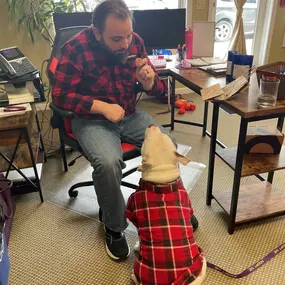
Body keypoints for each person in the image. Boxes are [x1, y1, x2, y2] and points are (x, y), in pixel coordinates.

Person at [52, 0, 198, 261]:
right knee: (108, 163)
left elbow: (158, 91)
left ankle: (171, 209)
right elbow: (60, 97)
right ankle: (114, 226)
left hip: (129, 115)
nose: (125, 44)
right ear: (97, 33)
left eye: (128, 35)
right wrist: (101, 107)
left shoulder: (135, 41)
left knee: (170, 145)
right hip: (91, 119)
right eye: (117, 38)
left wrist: (150, 82)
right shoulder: (75, 49)